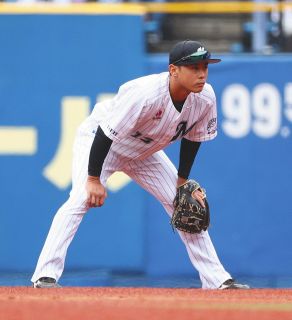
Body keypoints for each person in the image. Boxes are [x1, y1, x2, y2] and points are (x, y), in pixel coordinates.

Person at [31, 40, 249, 289]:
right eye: (194, 67)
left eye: (204, 67)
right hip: (102, 141)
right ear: (173, 70)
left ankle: (217, 280)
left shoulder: (205, 97)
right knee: (80, 198)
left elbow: (193, 138)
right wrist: (93, 179)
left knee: (187, 206)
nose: (201, 74)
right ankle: (45, 276)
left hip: (145, 151)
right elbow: (106, 133)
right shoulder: (145, 94)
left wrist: (181, 181)